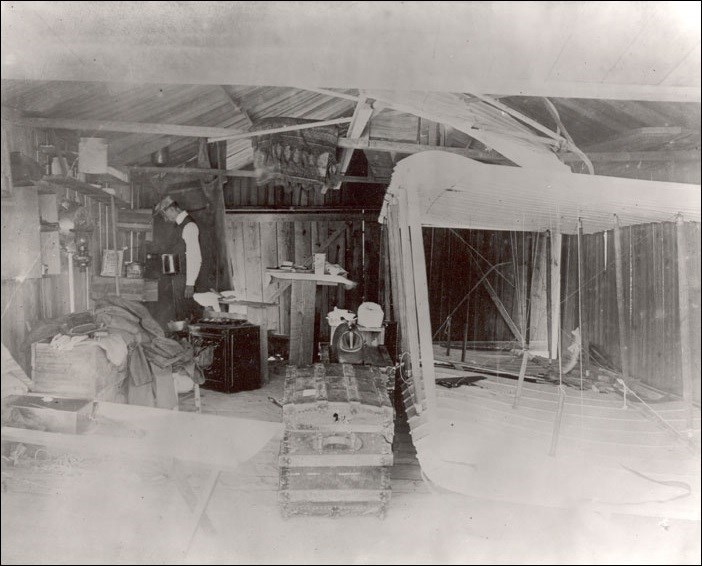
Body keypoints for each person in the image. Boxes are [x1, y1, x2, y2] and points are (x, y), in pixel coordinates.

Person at [153, 195, 203, 322]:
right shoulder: (179, 225)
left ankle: (186, 339)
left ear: (171, 209)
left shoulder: (189, 226)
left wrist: (190, 284)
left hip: (186, 279)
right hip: (180, 278)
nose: (165, 219)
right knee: (181, 314)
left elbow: (194, 257)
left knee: (186, 315)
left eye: (164, 215)